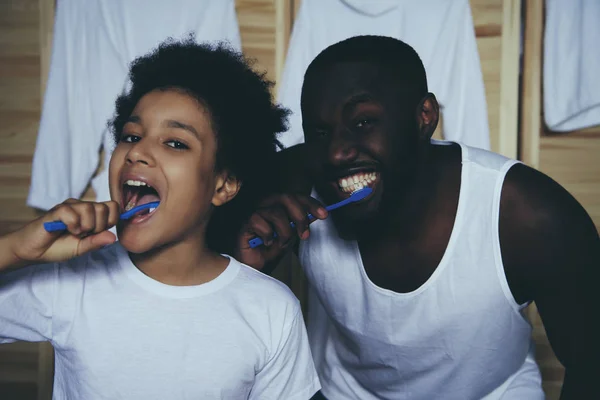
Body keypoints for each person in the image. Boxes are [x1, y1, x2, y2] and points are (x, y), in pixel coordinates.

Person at [235, 36, 599, 399]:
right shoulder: (291, 183)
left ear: (424, 117)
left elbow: (591, 369)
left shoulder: (529, 217)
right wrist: (242, 271)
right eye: (319, 132)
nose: (335, 153)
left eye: (362, 122)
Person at [0, 37, 320, 400]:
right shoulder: (73, 284)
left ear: (224, 184)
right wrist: (14, 247)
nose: (137, 151)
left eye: (175, 143)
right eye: (131, 135)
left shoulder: (272, 310)